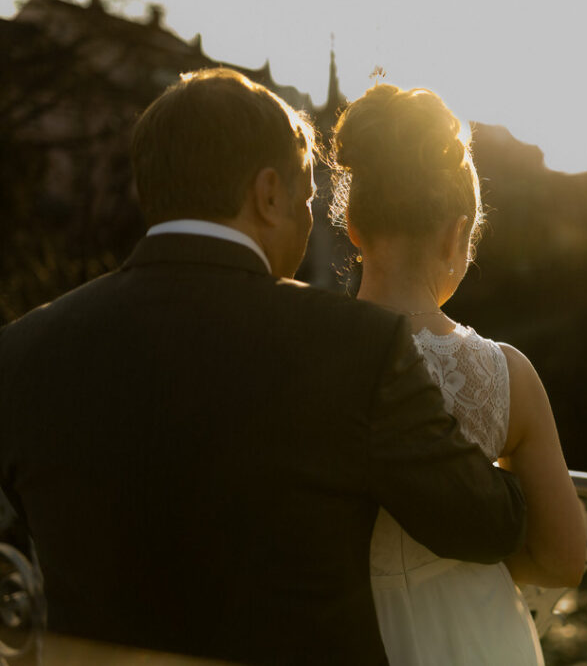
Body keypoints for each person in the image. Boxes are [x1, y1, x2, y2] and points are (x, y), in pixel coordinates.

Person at [0, 68, 527, 666]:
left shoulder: (22, 352)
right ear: (268, 194)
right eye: (305, 198)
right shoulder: (350, 344)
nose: (308, 221)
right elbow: (485, 523)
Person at [332, 84, 587, 665]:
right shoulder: (506, 375)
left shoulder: (303, 350)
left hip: (341, 631)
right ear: (456, 232)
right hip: (475, 635)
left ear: (351, 224)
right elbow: (561, 560)